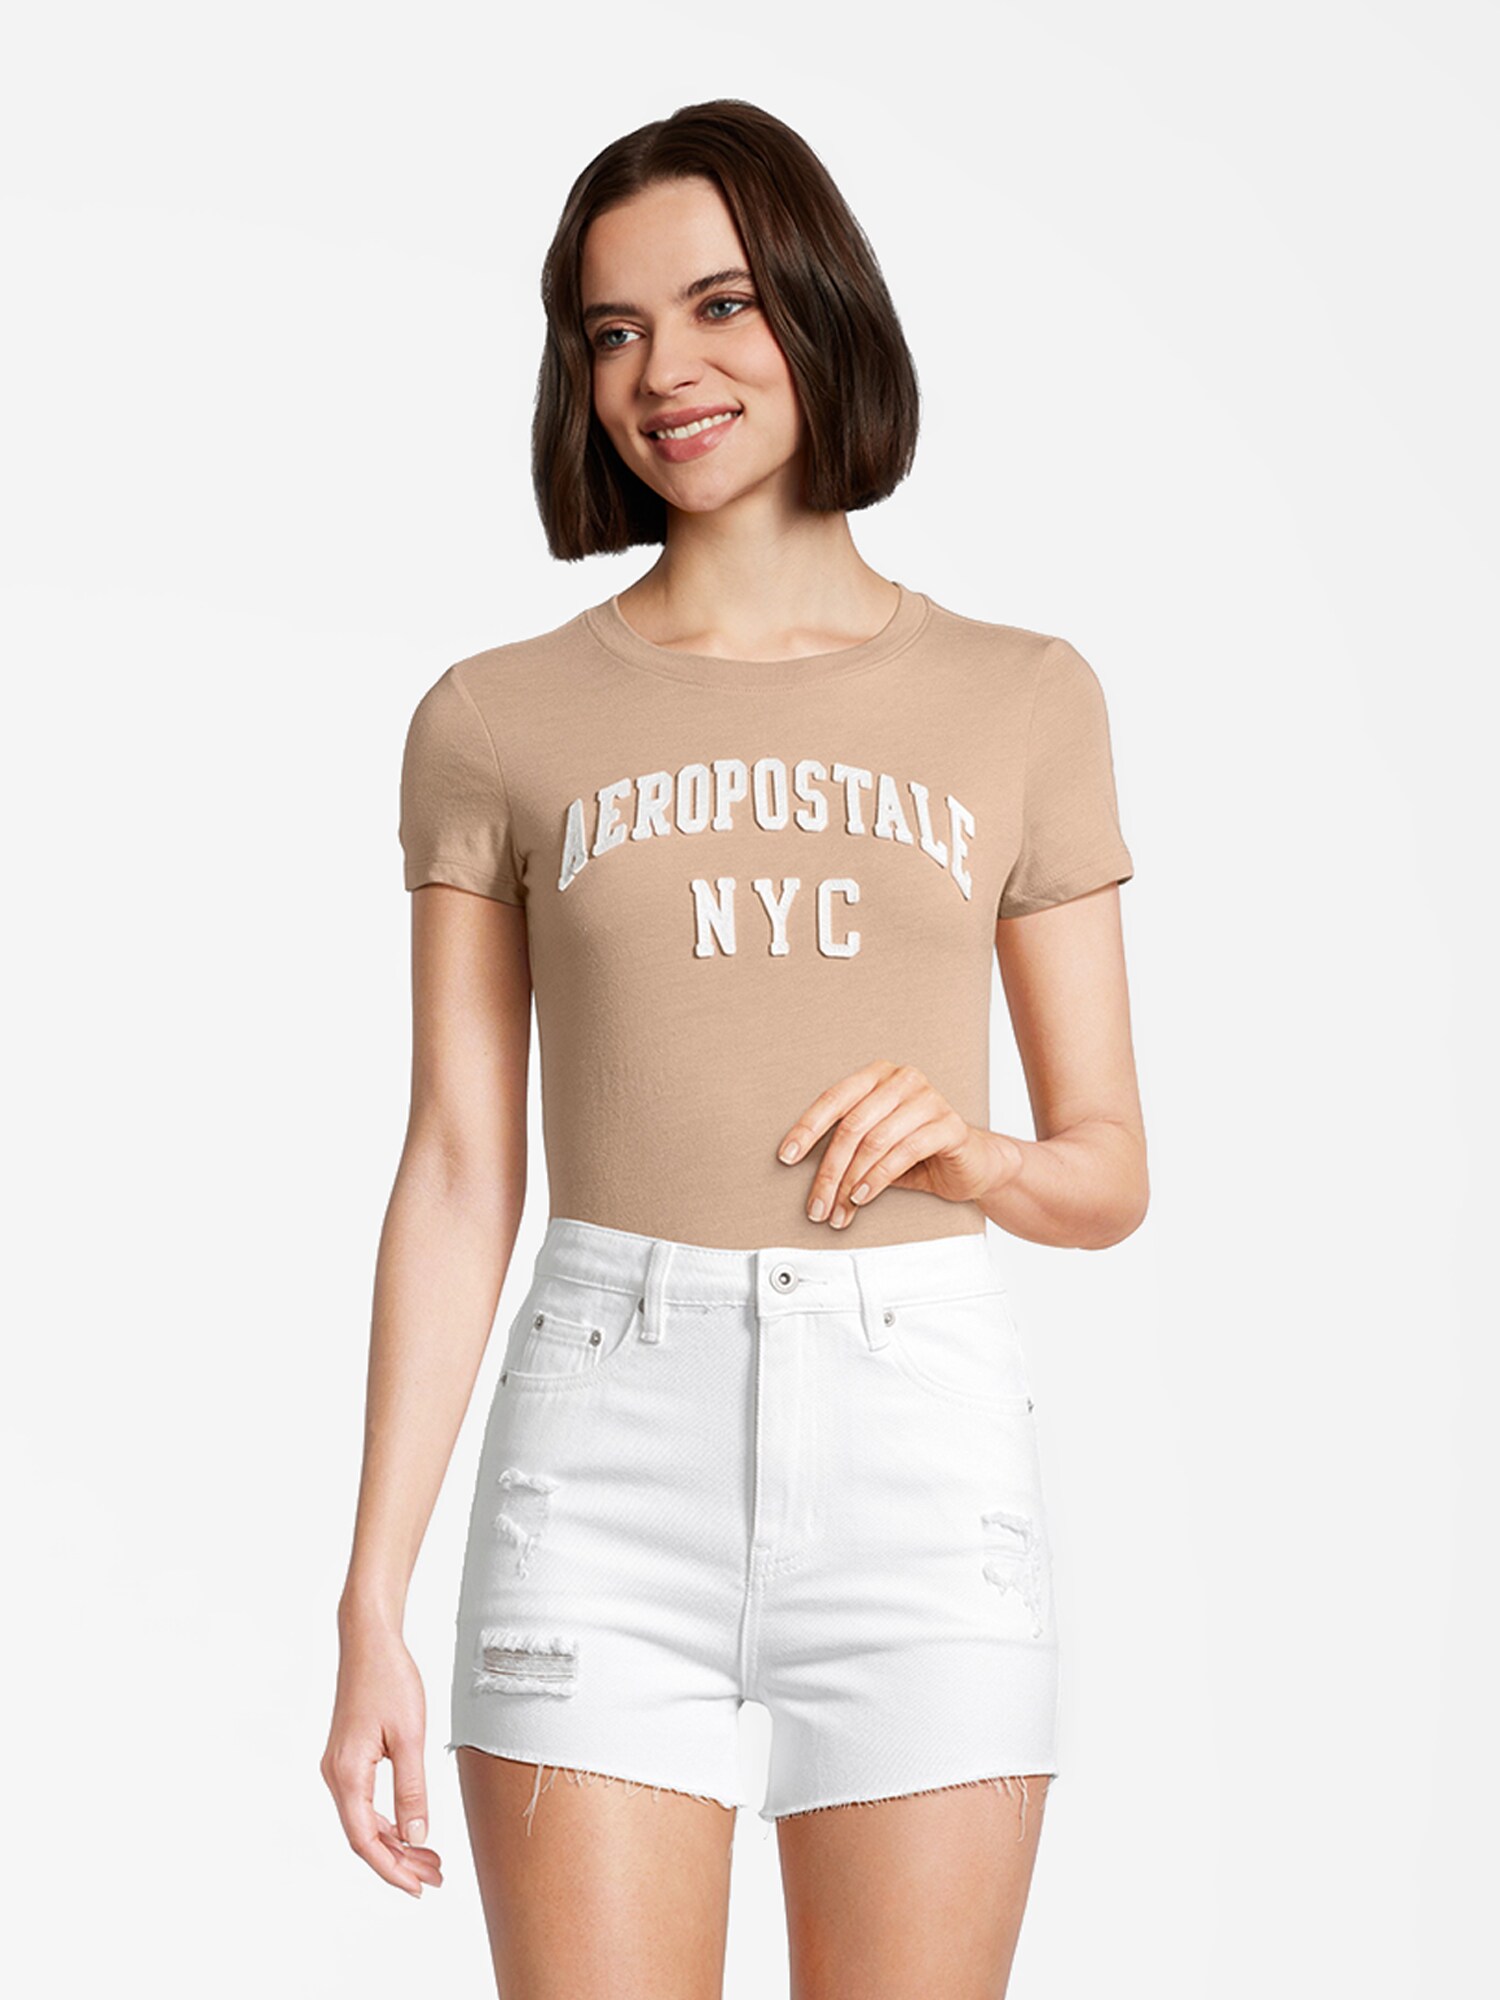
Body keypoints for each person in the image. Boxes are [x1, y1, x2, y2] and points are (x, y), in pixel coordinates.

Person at [321, 97, 1148, 1999]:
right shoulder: (495, 721)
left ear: (818, 305)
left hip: (918, 1451)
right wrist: (371, 1595)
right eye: (612, 331)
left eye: (718, 306)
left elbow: (1108, 1169)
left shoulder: (1023, 698)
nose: (665, 373)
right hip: (602, 1450)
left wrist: (977, 1155)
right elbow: (459, 1164)